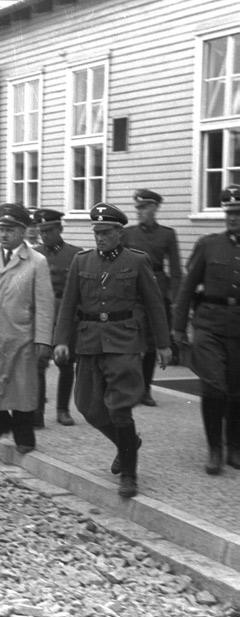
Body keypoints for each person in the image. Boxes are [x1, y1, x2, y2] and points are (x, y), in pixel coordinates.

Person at [53, 203, 171, 498]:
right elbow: (68, 305)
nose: (100, 238)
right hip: (89, 342)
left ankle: (129, 475)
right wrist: (62, 340)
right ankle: (127, 443)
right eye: (97, 232)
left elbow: (155, 304)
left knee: (119, 408)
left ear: (119, 233)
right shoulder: (82, 261)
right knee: (88, 407)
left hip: (123, 342)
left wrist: (163, 344)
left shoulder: (137, 261)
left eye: (106, 232)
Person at [0, 204, 54, 454]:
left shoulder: (36, 261)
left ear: (22, 231)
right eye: (1, 229)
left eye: (9, 230)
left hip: (20, 337)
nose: (3, 234)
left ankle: (24, 438)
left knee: (21, 388)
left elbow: (45, 304)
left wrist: (43, 340)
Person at [172, 186, 240, 474]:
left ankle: (234, 447)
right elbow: (187, 288)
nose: (233, 218)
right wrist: (178, 328)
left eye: (238, 213)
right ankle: (215, 449)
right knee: (214, 387)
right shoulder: (208, 245)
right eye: (230, 213)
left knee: (236, 390)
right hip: (209, 325)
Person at [123, 189, 182, 405]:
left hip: (156, 293)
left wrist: (176, 301)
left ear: (155, 208)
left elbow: (175, 271)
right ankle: (129, 387)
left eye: (144, 207)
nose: (140, 212)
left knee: (150, 343)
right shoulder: (127, 234)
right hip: (133, 292)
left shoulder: (167, 235)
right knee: (131, 339)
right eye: (138, 208)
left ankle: (145, 389)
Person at [32, 208, 82, 427]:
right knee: (38, 363)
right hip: (41, 315)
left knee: (66, 362)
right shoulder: (33, 254)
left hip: (65, 315)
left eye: (49, 231)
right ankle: (37, 412)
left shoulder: (75, 254)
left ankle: (63, 410)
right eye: (41, 231)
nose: (45, 235)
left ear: (60, 229)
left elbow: (80, 289)